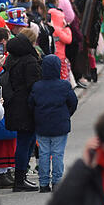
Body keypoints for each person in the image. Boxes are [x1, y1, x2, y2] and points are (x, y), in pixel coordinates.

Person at [28, 55, 78, 193]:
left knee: (44, 153)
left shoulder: (37, 86)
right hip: (60, 124)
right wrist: (66, 115)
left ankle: (43, 183)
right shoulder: (64, 85)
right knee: (57, 153)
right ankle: (57, 182)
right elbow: (73, 102)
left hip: (42, 124)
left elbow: (31, 104)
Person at [1, 33, 41, 192]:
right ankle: (20, 179)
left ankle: (21, 177)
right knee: (26, 143)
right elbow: (34, 85)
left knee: (25, 142)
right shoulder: (29, 61)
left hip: (14, 105)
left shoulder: (11, 59)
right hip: (27, 107)